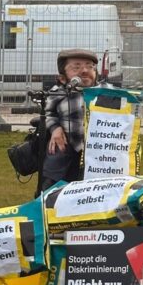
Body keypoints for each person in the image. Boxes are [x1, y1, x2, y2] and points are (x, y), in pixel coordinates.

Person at [39, 48, 100, 190]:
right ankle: (48, 195)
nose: (84, 71)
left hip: (97, 147)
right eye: (76, 67)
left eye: (89, 66)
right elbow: (48, 112)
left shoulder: (107, 92)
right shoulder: (58, 92)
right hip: (66, 142)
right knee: (55, 157)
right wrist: (55, 129)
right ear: (62, 77)